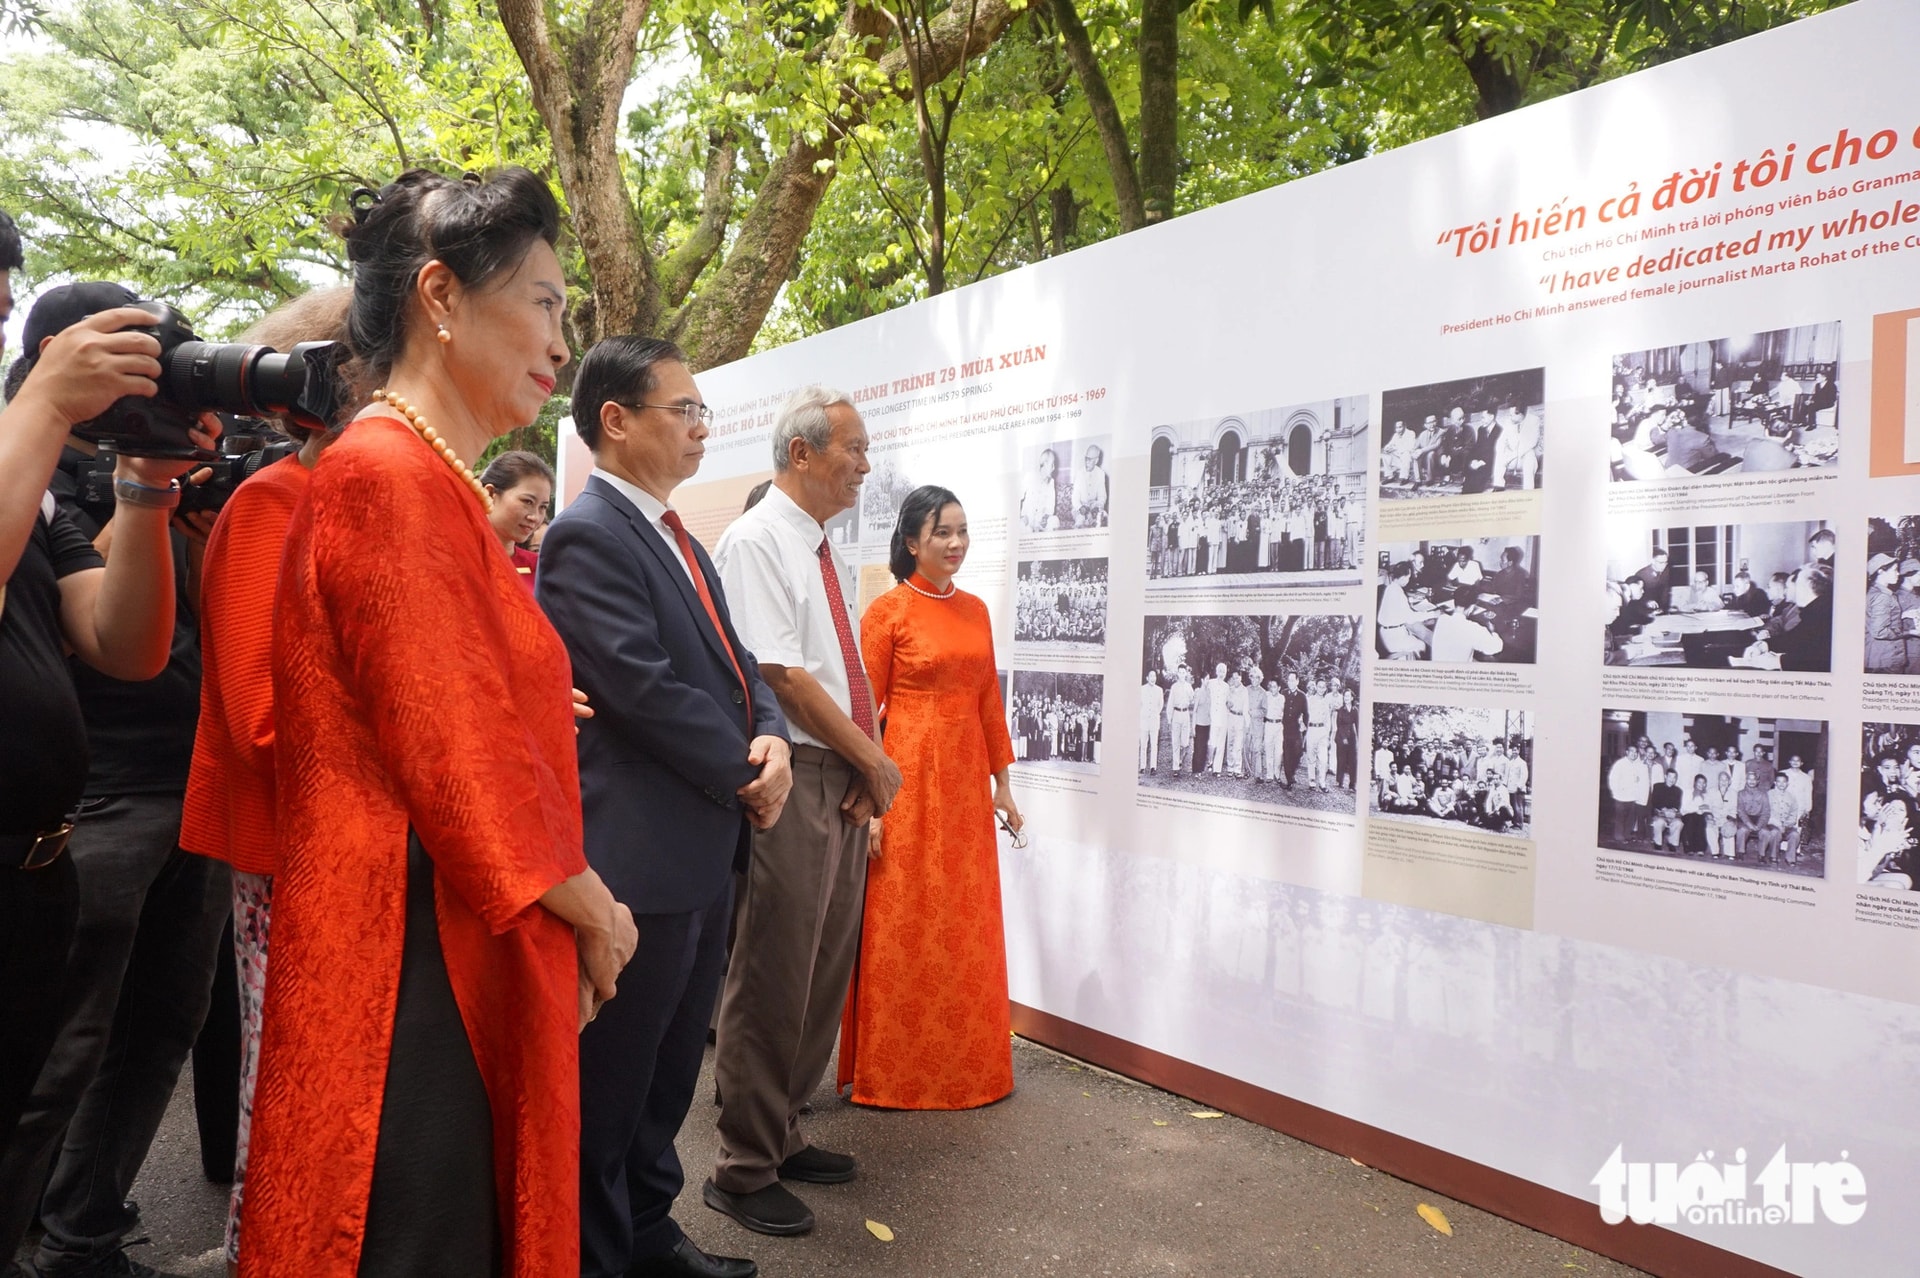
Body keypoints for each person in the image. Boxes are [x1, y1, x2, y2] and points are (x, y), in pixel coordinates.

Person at [245, 168, 637, 1278]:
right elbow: (452, 753)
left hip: (448, 914)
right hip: (411, 945)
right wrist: (594, 908)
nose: (563, 338)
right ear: (443, 297)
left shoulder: (431, 479)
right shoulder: (387, 474)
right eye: (548, 301)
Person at [538, 334, 788, 1278]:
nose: (700, 428)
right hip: (640, 860)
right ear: (617, 419)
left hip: (701, 847)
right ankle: (597, 1256)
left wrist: (767, 735)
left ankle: (648, 1234)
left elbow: (735, 662)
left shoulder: (677, 533)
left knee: (668, 1078)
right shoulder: (589, 534)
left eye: (700, 411)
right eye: (682, 410)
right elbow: (641, 690)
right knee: (614, 1089)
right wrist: (745, 770)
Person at [0, 282, 232, 1278]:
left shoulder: (43, 489)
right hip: (89, 815)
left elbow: (121, 643)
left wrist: (147, 481)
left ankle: (67, 1233)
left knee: (78, 1070)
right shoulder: (32, 447)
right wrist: (50, 408)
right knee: (48, 1082)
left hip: (48, 849)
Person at [174, 286, 351, 1275]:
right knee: (289, 1080)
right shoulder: (271, 505)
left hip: (362, 853)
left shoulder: (376, 501)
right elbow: (260, 721)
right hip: (292, 852)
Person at [710, 387, 895, 1238]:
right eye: (854, 450)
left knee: (821, 968)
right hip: (797, 774)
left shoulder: (817, 545)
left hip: (840, 777)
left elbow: (837, 669)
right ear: (802, 454)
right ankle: (742, 1168)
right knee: (776, 969)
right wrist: (873, 760)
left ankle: (782, 1133)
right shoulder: (756, 542)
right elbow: (782, 676)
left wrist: (864, 763)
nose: (865, 465)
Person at [839, 486, 1023, 1113]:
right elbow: (865, 712)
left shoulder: (975, 609)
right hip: (906, 778)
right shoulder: (886, 612)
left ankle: (970, 1066)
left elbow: (987, 700)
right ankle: (895, 1072)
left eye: (963, 531)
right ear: (912, 541)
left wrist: (1003, 782)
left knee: (964, 914)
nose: (955, 543)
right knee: (905, 913)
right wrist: (870, 800)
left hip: (965, 780)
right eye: (942, 532)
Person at [480, 449, 554, 588]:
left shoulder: (541, 569)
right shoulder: (460, 559)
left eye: (543, 507)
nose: (535, 517)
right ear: (490, 494)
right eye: (527, 502)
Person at [1377, 561, 1429, 659]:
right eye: (1408, 578)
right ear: (1402, 577)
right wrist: (1432, 614)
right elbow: (1410, 618)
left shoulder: (1391, 588)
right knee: (1421, 645)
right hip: (1393, 637)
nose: (1408, 580)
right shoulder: (1398, 593)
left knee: (1413, 637)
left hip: (1386, 633)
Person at [1865, 554, 1908, 673]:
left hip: (1877, 655)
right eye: (1895, 570)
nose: (1898, 574)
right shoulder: (1882, 597)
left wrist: (1903, 615)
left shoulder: (1873, 592)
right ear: (1880, 571)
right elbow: (1879, 631)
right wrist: (1907, 632)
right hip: (1887, 656)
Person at [1608, 746, 1651, 845]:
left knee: (1630, 819)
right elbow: (1613, 779)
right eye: (1631, 751)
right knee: (1620, 818)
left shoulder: (1637, 764)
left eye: (1636, 752)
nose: (1634, 754)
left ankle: (1627, 835)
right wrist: (1615, 792)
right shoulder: (1620, 763)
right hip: (1621, 797)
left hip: (1632, 797)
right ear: (1626, 752)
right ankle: (1619, 836)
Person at [1021, 446, 1060, 532]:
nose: (1054, 468)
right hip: (1027, 519)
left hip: (1041, 521)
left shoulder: (1051, 482)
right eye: (1052, 464)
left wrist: (1045, 517)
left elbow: (1050, 507)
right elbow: (1017, 497)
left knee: (1054, 520)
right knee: (1023, 527)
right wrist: (1022, 516)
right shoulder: (1030, 476)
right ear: (1045, 463)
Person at [1280, 671, 1307, 787]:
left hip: (1296, 729)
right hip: (1285, 728)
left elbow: (1306, 713)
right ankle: (1289, 777)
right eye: (1289, 680)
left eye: (1293, 680)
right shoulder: (1283, 693)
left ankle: (1292, 771)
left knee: (1298, 752)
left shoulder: (1302, 696)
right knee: (1287, 753)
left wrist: (1304, 725)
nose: (1290, 682)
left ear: (1297, 681)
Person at [1075, 443, 1109, 527]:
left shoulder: (1101, 474)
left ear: (1096, 460)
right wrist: (1080, 507)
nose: (1087, 462)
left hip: (1094, 507)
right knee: (1080, 520)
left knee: (1103, 516)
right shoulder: (1079, 473)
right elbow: (1075, 496)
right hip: (1081, 508)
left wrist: (1098, 506)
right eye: (1086, 458)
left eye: (1089, 459)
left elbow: (1102, 496)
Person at [1648, 769, 1683, 851]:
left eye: (1674, 777)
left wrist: (1673, 810)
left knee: (1679, 823)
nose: (1672, 779)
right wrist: (1664, 809)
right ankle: (1657, 843)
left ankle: (1672, 843)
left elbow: (1677, 804)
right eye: (1670, 776)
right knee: (1659, 822)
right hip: (1660, 813)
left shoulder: (1678, 790)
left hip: (1672, 814)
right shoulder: (1657, 786)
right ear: (1665, 776)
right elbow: (1654, 801)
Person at [1167, 667, 1194, 772]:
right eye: (1180, 672)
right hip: (1176, 714)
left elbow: (1193, 699)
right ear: (1177, 674)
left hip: (1185, 714)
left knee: (1185, 743)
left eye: (1184, 672)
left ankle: (1180, 759)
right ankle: (1175, 768)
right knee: (1175, 742)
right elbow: (1170, 704)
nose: (1182, 674)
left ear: (1185, 674)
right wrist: (1169, 720)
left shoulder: (1189, 687)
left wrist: (1192, 696)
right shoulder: (1174, 687)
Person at [1680, 775, 1713, 855]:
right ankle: (1688, 847)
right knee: (1691, 819)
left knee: (1701, 821)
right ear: (1695, 783)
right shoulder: (1688, 792)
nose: (1701, 784)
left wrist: (1703, 811)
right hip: (1687, 815)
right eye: (1699, 782)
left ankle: (1700, 848)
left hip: (1700, 816)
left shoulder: (1706, 795)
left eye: (1703, 783)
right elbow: (1685, 807)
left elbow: (1708, 807)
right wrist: (1698, 808)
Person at [1139, 670, 1163, 772]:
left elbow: (1160, 705)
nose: (1153, 678)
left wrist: (1155, 713)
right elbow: (1139, 704)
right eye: (1151, 676)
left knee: (1154, 744)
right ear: (1147, 678)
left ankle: (1153, 767)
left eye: (1154, 676)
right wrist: (1143, 714)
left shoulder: (1159, 690)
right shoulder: (1141, 689)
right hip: (1144, 721)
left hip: (1154, 720)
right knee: (1143, 744)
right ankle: (1142, 767)